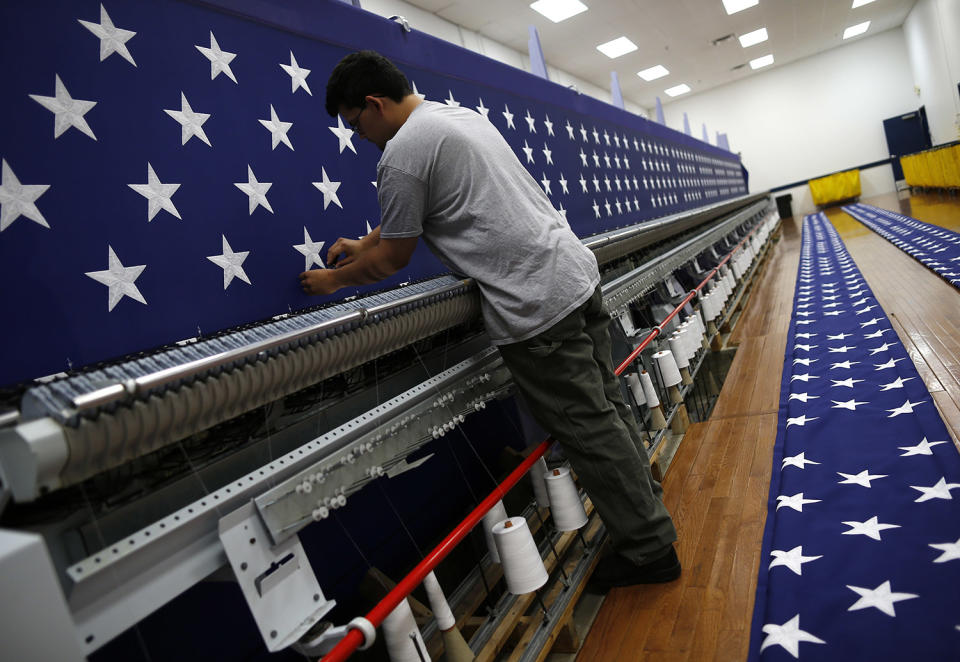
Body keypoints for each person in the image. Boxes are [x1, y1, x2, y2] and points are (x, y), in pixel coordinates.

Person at [302, 50, 678, 587]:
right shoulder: (455, 117)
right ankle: (646, 513)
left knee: (587, 429)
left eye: (355, 122)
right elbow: (422, 211)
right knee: (606, 410)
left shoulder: (401, 154)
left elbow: (393, 259)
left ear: (373, 104)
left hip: (536, 306)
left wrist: (331, 281)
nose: (358, 135)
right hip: (573, 275)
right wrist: (364, 241)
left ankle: (649, 551)